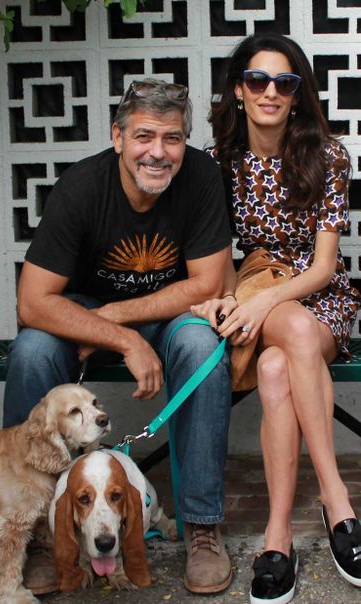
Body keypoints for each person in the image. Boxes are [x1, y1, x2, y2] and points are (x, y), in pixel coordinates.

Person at [3, 78, 235, 595]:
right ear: (118, 138)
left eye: (172, 138)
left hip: (169, 309)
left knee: (203, 347)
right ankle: (39, 530)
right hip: (87, 313)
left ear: (185, 142)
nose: (158, 152)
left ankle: (200, 525)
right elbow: (33, 302)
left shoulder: (200, 178)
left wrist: (120, 319)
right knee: (33, 350)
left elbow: (207, 284)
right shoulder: (82, 188)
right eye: (144, 136)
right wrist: (122, 338)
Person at [191, 33, 361, 604]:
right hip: (258, 289)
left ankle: (282, 533)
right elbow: (213, 255)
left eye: (284, 82)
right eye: (257, 80)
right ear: (239, 90)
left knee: (274, 367)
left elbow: (323, 267)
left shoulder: (328, 155)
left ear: (297, 93)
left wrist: (263, 304)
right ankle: (334, 510)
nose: (270, 92)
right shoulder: (217, 163)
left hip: (318, 298)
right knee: (280, 343)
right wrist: (232, 296)